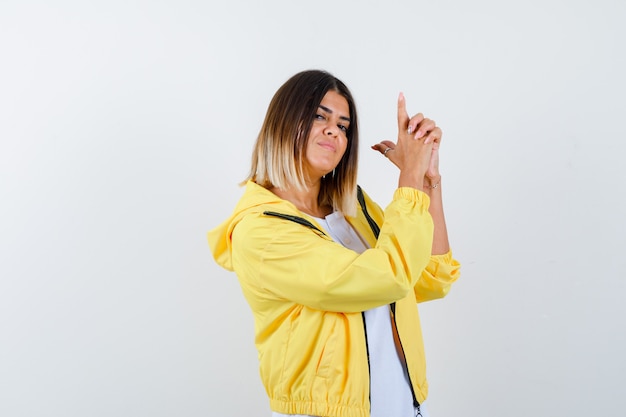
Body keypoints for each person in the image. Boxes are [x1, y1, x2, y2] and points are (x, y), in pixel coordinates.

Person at [208, 69, 460, 417]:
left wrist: (429, 179)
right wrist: (409, 178)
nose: (333, 131)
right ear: (282, 122)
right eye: (318, 116)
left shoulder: (351, 207)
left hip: (405, 405)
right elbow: (388, 277)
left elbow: (429, 278)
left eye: (343, 126)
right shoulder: (259, 232)